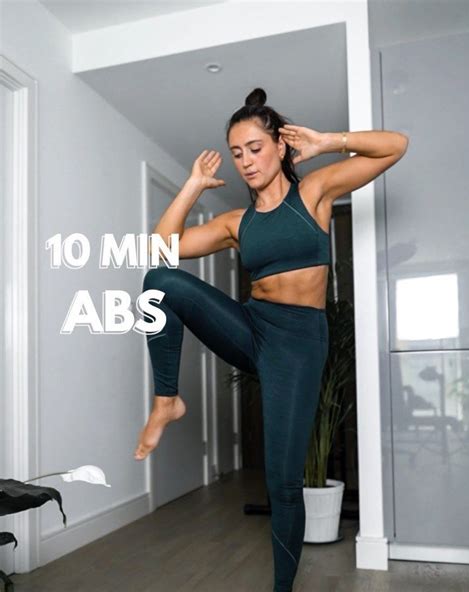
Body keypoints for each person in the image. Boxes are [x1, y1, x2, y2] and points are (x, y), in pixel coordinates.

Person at [134, 87, 408, 592]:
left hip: (299, 345)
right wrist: (193, 184)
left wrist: (328, 140)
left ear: (280, 146)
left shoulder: (316, 192)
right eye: (237, 153)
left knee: (283, 483)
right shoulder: (239, 223)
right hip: (252, 326)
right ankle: (167, 400)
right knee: (159, 282)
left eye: (254, 148)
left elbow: (396, 145)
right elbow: (162, 248)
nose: (245, 162)